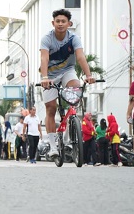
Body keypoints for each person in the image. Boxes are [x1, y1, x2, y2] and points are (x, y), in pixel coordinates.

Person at [40, 9, 95, 157]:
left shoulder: (74, 38)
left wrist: (89, 75)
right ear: (53, 23)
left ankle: (71, 125)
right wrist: (44, 78)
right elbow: (44, 59)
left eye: (63, 21)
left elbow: (81, 57)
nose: (60, 24)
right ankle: (52, 147)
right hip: (50, 75)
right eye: (57, 21)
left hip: (67, 71)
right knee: (51, 109)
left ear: (69, 24)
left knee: (75, 87)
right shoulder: (46, 39)